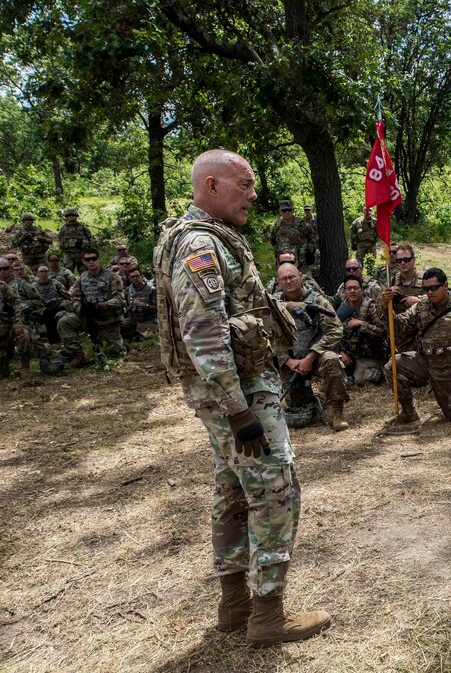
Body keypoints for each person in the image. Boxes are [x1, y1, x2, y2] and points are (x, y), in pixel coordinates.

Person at [154, 149, 330, 646]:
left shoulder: (205, 237)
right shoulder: (199, 246)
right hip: (239, 394)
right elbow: (204, 333)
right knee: (275, 490)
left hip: (231, 392)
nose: (254, 194)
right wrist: (238, 409)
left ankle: (234, 604)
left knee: (232, 489)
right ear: (211, 186)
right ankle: (268, 615)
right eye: (244, 185)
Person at [383, 268, 451, 423]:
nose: (430, 292)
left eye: (434, 287)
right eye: (426, 289)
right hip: (426, 363)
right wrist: (384, 306)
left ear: (445, 286)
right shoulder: (421, 307)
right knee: (393, 366)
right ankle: (408, 412)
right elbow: (399, 327)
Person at [275, 263, 349, 431]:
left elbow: (335, 329)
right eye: (283, 279)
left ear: (300, 277)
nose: (288, 281)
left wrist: (311, 356)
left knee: (332, 360)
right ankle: (317, 400)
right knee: (302, 408)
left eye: (291, 277)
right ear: (278, 282)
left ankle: (338, 412)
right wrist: (286, 360)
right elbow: (267, 337)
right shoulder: (275, 304)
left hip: (315, 357)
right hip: (290, 362)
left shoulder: (316, 300)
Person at [57, 248, 126, 365]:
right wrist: (80, 308)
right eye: (87, 259)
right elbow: (74, 298)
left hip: (107, 319)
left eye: (94, 259)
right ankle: (77, 354)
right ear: (83, 262)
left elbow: (119, 300)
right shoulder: (82, 278)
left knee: (115, 354)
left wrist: (101, 306)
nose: (91, 262)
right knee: (65, 322)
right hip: (87, 317)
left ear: (99, 260)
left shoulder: (112, 277)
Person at [338, 274, 387, 386]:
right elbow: (332, 334)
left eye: (356, 288)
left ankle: (377, 372)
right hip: (349, 354)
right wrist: (340, 352)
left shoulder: (371, 307)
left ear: (362, 290)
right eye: (349, 288)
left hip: (369, 355)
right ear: (344, 291)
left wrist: (362, 324)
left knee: (361, 380)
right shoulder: (342, 309)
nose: (352, 291)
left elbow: (382, 332)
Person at [0, 261, 26, 379]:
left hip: (6, 332)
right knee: (0, 373)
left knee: (24, 333)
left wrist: (18, 321)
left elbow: (19, 304)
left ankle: (25, 367)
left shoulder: (0, 286)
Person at [269, 200, 320, 278]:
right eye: (284, 210)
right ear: (280, 212)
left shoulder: (302, 224)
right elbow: (272, 240)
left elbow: (313, 237)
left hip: (301, 264)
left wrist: (308, 250)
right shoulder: (278, 225)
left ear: (293, 210)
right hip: (284, 264)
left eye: (289, 210)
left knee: (305, 284)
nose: (287, 212)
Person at [33, 263, 70, 345]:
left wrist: (61, 303)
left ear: (49, 272)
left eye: (46, 271)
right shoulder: (33, 287)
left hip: (56, 309)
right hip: (41, 312)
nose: (44, 274)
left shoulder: (55, 283)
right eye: (41, 272)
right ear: (37, 274)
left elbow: (67, 296)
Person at [121, 267, 157, 340]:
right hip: (132, 319)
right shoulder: (128, 290)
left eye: (137, 276)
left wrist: (143, 305)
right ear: (130, 278)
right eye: (132, 277)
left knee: (145, 335)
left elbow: (157, 309)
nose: (135, 278)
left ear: (142, 276)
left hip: (148, 320)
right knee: (117, 329)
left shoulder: (152, 290)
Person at [388, 243, 424, 314]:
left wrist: (419, 300)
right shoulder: (393, 280)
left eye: (406, 259)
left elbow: (440, 299)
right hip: (399, 322)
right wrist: (387, 294)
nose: (403, 263)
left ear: (413, 260)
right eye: (399, 260)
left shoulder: (425, 279)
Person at [58, 208, 94, 272]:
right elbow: (60, 239)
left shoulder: (82, 227)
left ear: (76, 216)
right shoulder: (63, 228)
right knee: (67, 272)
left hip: (81, 253)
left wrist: (89, 250)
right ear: (67, 217)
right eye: (69, 215)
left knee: (83, 272)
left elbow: (89, 237)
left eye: (73, 215)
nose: (71, 217)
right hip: (68, 254)